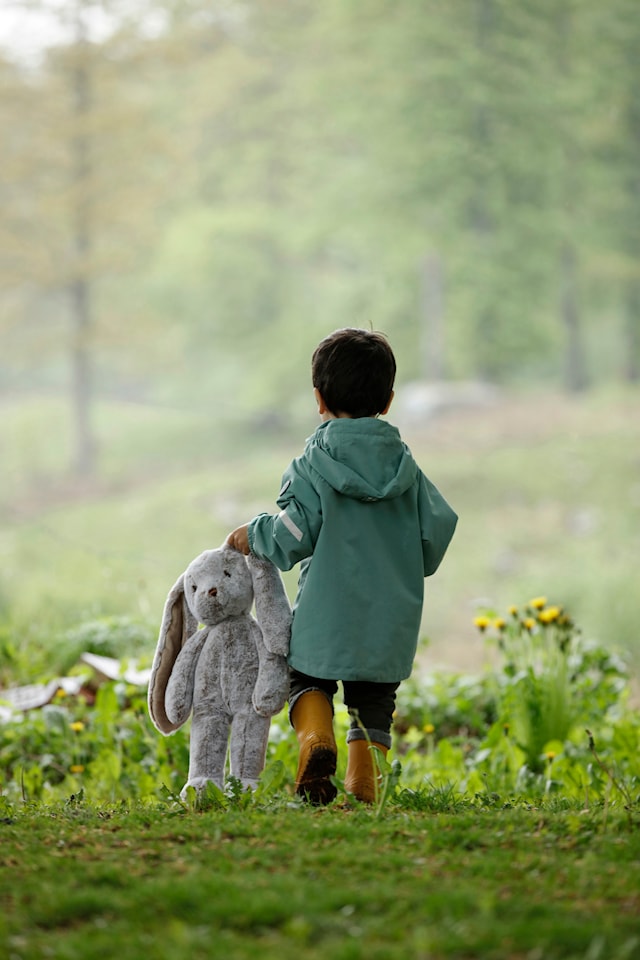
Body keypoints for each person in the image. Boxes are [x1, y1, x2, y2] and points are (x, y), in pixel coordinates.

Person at [226, 327, 457, 804]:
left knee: (306, 680)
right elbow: (434, 536)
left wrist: (255, 534)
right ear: (389, 401)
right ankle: (362, 786)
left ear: (318, 398)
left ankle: (315, 740)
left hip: (326, 615)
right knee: (374, 703)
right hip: (389, 618)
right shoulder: (406, 468)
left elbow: (293, 536)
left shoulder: (313, 462)